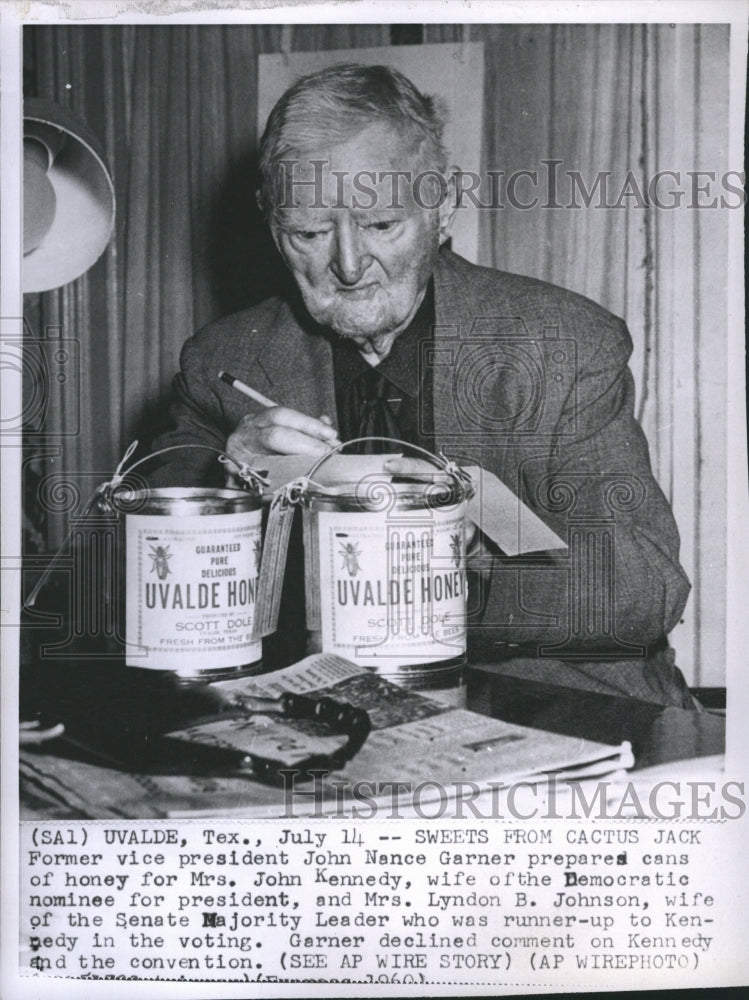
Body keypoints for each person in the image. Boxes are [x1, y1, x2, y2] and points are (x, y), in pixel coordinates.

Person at [151, 63, 694, 707]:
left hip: (553, 707)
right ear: (273, 227)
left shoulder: (563, 345)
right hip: (325, 713)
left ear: (442, 207)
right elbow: (134, 578)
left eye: (381, 224)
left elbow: (646, 586)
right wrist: (229, 489)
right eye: (309, 233)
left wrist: (470, 563)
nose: (348, 264)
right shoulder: (224, 361)